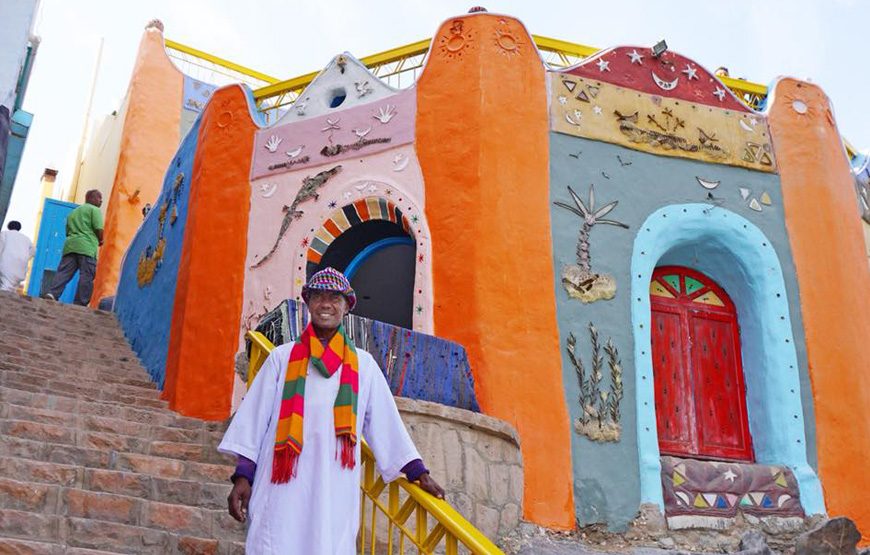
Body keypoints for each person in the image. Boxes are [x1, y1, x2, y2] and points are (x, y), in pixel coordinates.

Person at [219, 267, 444, 553]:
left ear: (346, 307)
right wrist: (242, 476)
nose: (326, 304)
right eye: (318, 296)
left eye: (335, 298)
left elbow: (386, 425)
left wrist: (418, 471)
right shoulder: (281, 358)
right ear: (308, 303)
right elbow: (253, 422)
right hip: (280, 485)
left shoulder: (364, 366)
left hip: (333, 488)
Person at [45, 189, 104, 305]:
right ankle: (80, 303)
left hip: (71, 246)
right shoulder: (95, 210)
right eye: (99, 198)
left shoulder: (73, 213)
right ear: (91, 198)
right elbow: (99, 228)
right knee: (86, 276)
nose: (101, 201)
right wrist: (101, 240)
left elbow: (68, 232)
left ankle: (52, 293)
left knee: (64, 272)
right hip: (87, 247)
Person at [0, 221, 35, 292]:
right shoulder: (26, 239)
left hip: (6, 265)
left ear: (9, 226)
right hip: (21, 267)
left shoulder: (4, 234)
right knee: (13, 287)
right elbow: (33, 251)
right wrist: (25, 258)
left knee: (5, 286)